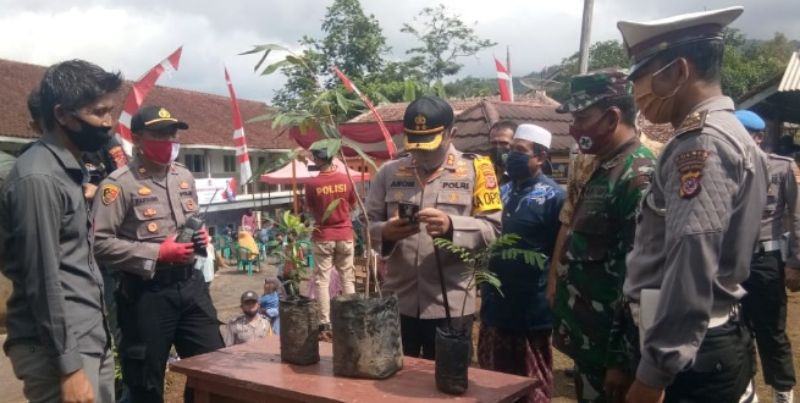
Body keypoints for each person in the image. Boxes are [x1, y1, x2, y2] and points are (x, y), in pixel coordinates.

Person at [618, 7, 769, 403]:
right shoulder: (729, 134)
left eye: (643, 77)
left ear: (679, 71)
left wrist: (654, 373)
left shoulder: (702, 144)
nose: (638, 93)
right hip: (697, 343)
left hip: (688, 355)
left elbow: (692, 262)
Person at [0, 59, 122, 403]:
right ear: (63, 115)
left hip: (86, 337)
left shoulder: (70, 172)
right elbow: (43, 279)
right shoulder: (38, 178)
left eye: (110, 111)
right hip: (58, 350)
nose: (108, 123)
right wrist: (69, 368)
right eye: (99, 113)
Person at [92, 105, 224, 403]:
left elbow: (188, 224)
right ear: (137, 138)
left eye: (172, 133)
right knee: (145, 384)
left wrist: (200, 237)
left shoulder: (184, 177)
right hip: (145, 294)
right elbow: (98, 243)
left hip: (191, 286)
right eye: (159, 134)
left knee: (215, 370)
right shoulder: (118, 185)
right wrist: (157, 252)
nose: (168, 140)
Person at [366, 95, 502, 359]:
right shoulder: (388, 172)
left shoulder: (478, 170)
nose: (422, 153)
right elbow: (365, 225)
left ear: (452, 134)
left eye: (430, 145)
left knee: (447, 387)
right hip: (398, 302)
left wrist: (453, 226)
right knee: (394, 381)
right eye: (415, 145)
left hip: (450, 305)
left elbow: (494, 230)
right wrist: (384, 232)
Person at [549, 69, 656, 403]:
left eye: (582, 118)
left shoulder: (636, 177)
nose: (573, 128)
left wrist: (623, 361)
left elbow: (642, 279)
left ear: (612, 118)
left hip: (612, 357)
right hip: (590, 344)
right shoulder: (605, 166)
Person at [478, 124, 565, 403]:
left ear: (540, 157)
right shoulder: (498, 193)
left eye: (519, 151)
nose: (510, 156)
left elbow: (560, 255)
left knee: (532, 386)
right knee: (493, 384)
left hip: (532, 310)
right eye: (510, 149)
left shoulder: (555, 198)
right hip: (495, 307)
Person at [735, 109, 798, 403]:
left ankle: (783, 392)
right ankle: (748, 392)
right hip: (733, 263)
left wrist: (795, 263)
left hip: (767, 261)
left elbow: (797, 217)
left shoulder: (783, 168)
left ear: (758, 137)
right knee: (738, 330)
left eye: (742, 133)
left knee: (772, 332)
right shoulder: (722, 167)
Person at [304, 143, 357, 333]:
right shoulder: (347, 179)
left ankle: (325, 321)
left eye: (313, 158)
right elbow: (352, 205)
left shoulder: (311, 184)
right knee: (347, 279)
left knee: (322, 281)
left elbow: (310, 209)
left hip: (323, 236)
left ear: (318, 159)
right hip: (345, 234)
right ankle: (351, 315)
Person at [488, 120, 518, 184]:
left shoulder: (522, 177)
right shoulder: (484, 172)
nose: (498, 147)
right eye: (494, 143)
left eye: (504, 143)